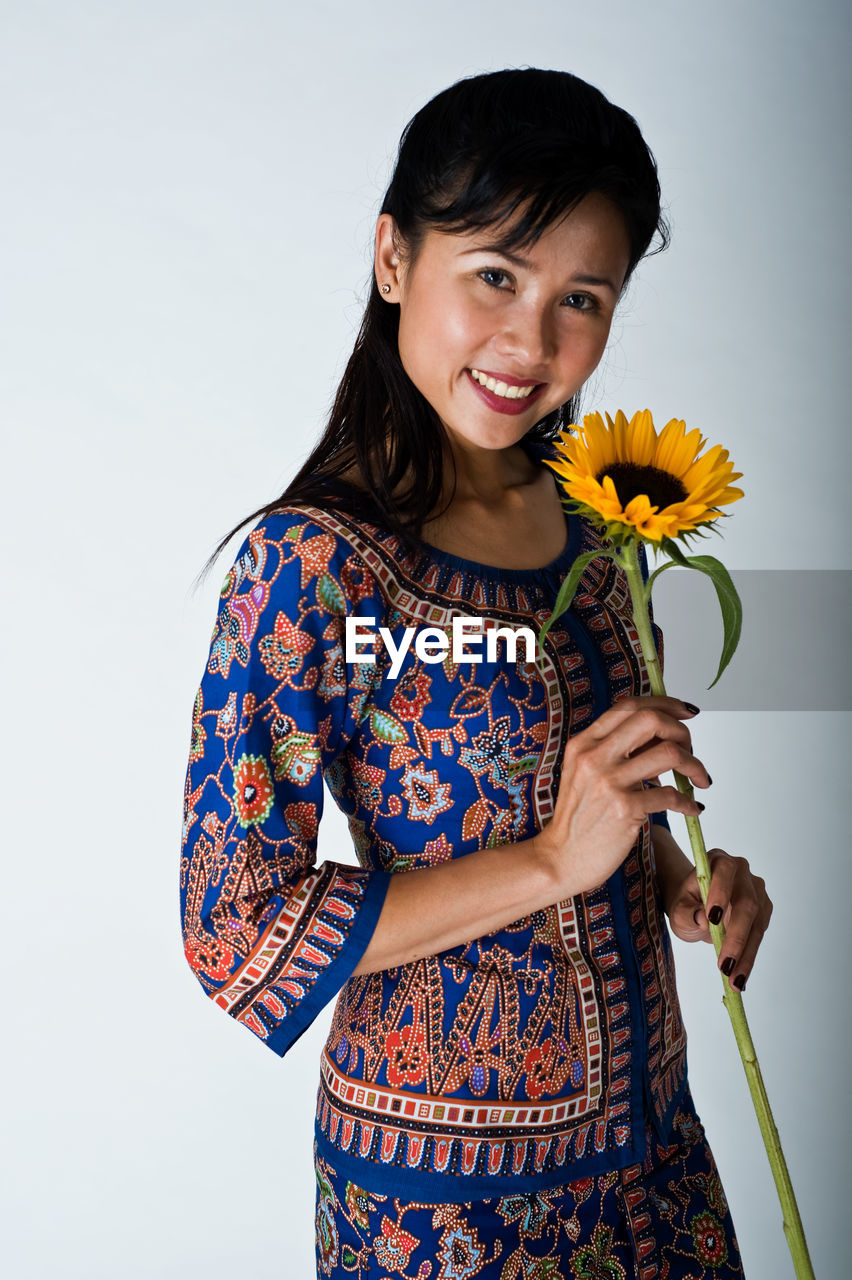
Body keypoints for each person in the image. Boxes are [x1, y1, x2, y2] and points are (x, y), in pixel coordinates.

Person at [180, 68, 772, 1278]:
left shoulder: (602, 525)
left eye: (582, 298)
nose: (533, 342)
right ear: (394, 255)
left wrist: (678, 880)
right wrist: (555, 859)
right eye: (495, 275)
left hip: (655, 1150)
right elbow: (233, 925)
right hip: (447, 1205)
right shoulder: (311, 569)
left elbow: (594, 799)